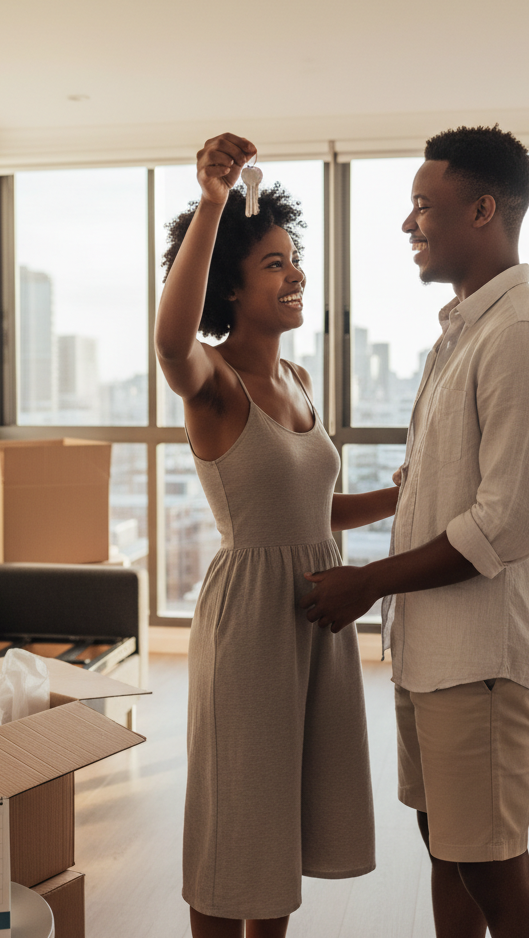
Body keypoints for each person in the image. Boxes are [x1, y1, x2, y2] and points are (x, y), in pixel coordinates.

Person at [302, 125, 529, 938]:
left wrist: (367, 583)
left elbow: (507, 525)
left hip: (482, 658)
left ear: (484, 210)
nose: (408, 224)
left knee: (493, 867)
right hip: (434, 653)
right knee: (445, 846)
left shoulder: (522, 336)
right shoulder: (462, 330)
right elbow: (436, 488)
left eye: (425, 206)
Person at [155, 133, 397, 938]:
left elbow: (313, 513)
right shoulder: (213, 385)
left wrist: (396, 499)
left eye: (295, 259)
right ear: (230, 288)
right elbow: (168, 342)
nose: (297, 275)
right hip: (250, 624)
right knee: (237, 826)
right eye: (274, 264)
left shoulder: (295, 380)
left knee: (281, 826)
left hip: (317, 614)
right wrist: (215, 202)